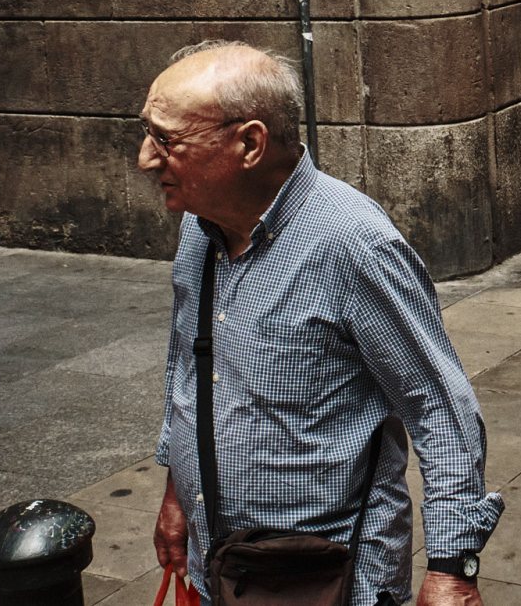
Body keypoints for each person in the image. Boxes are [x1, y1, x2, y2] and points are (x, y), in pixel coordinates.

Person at [142, 42, 501, 606]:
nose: (146, 157)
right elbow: (189, 373)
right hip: (222, 567)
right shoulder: (200, 230)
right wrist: (177, 496)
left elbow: (439, 406)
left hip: (328, 578)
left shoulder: (352, 244)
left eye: (166, 138)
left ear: (249, 143)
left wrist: (453, 566)